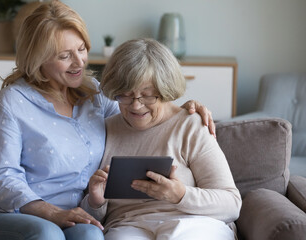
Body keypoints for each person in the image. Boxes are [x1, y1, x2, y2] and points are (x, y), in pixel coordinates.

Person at [0, 1, 214, 240]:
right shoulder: (11, 103)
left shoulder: (94, 93)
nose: (79, 62)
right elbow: (1, 178)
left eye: (81, 49)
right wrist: (52, 214)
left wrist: (180, 109)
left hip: (78, 212)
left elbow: (136, 115)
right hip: (10, 213)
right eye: (64, 55)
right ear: (37, 59)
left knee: (91, 236)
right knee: (48, 234)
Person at [83, 38, 242, 240]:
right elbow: (89, 220)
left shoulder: (190, 125)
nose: (136, 106)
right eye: (125, 95)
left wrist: (180, 195)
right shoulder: (104, 130)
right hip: (127, 225)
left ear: (166, 91)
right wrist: (95, 202)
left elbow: (231, 204)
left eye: (148, 96)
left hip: (192, 221)